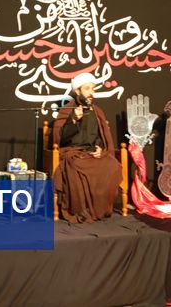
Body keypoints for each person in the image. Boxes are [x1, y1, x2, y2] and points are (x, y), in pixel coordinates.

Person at [52, 72, 122, 223]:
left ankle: (100, 209)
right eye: (87, 89)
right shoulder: (67, 110)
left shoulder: (96, 111)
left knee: (112, 165)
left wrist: (99, 148)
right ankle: (81, 210)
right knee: (76, 165)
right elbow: (59, 139)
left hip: (91, 153)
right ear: (77, 91)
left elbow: (100, 136)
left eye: (93, 88)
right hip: (74, 153)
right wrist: (73, 120)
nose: (91, 92)